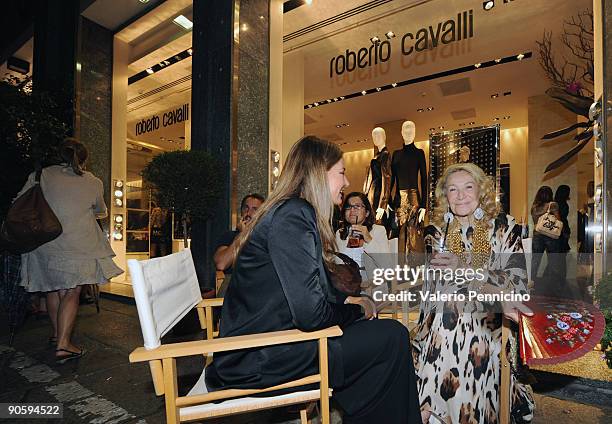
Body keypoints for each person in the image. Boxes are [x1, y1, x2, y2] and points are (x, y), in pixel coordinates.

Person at [206, 136, 425, 423]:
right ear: (319, 174)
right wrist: (358, 309)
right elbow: (310, 314)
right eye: (341, 173)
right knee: (392, 337)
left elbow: (305, 289)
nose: (346, 183)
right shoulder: (294, 215)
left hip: (266, 344)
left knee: (379, 339)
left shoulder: (289, 211)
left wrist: (348, 301)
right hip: (260, 358)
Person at [413, 163, 534, 423]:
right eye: (452, 190)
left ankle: (432, 406)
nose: (460, 196)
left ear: (481, 191)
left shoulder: (504, 227)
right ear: (445, 197)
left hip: (493, 316)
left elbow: (516, 283)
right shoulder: (437, 232)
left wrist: (465, 269)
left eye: (468, 187)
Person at [18, 138, 123, 363]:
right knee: (72, 291)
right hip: (77, 244)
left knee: (53, 290)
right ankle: (64, 345)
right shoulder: (91, 181)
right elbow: (101, 211)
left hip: (44, 243)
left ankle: (58, 335)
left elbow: (19, 201)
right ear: (83, 159)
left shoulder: (41, 175)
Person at [335, 192, 391, 293]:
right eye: (348, 207)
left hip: (371, 287)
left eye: (357, 206)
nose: (352, 210)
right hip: (346, 287)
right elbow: (335, 263)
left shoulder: (378, 231)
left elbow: (387, 266)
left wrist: (369, 239)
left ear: (367, 213)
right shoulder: (340, 233)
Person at [213, 193, 264, 295]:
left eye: (255, 209)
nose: (248, 213)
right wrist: (242, 235)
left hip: (259, 286)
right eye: (246, 208)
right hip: (234, 286)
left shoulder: (266, 239)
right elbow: (221, 264)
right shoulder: (230, 236)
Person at [531, 185, 561, 295]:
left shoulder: (534, 206)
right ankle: (554, 287)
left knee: (535, 261)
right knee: (553, 261)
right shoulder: (552, 205)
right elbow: (558, 221)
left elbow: (535, 221)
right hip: (550, 236)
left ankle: (530, 284)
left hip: (537, 235)